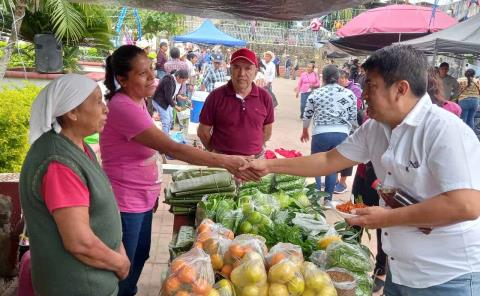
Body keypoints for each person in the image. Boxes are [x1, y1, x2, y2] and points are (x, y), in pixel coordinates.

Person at [243, 45, 480, 296]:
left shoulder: (444, 131)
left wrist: (386, 218)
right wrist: (267, 165)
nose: (363, 94)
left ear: (401, 89)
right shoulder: (376, 128)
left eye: (371, 86)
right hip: (401, 272)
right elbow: (327, 161)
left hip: (448, 278)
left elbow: (466, 205)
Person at [101, 45, 255, 296]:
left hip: (140, 198)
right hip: (124, 201)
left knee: (140, 254)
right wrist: (226, 161)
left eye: (152, 69)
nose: (153, 77)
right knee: (123, 267)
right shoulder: (123, 106)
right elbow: (175, 149)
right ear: (122, 78)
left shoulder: (138, 101)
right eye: (142, 74)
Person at [20, 74, 130, 296]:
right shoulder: (58, 163)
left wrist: (118, 248)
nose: (105, 108)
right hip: (77, 286)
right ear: (72, 112)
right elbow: (79, 241)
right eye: (97, 101)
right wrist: (120, 263)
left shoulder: (78, 146)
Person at [197, 48, 275, 158]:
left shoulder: (265, 97)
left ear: (255, 72)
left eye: (248, 68)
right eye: (237, 67)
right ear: (230, 69)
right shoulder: (215, 96)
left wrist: (253, 149)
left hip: (254, 162)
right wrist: (217, 154)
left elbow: (267, 132)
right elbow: (203, 132)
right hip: (222, 162)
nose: (242, 73)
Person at [301, 65, 357, 202]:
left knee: (316, 164)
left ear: (323, 78)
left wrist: (305, 131)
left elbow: (307, 114)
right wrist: (347, 132)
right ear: (338, 78)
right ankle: (328, 200)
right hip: (341, 134)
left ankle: (315, 197)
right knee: (332, 166)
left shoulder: (316, 93)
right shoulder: (349, 94)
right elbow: (353, 117)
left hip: (320, 134)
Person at [151, 69, 189, 134]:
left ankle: (166, 134)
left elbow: (174, 94)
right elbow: (168, 97)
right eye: (183, 80)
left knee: (170, 119)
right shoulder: (168, 80)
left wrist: (182, 97)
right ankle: (165, 139)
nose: (183, 82)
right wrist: (176, 106)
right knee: (166, 121)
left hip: (167, 102)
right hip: (160, 101)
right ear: (178, 76)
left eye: (184, 81)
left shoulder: (178, 82)